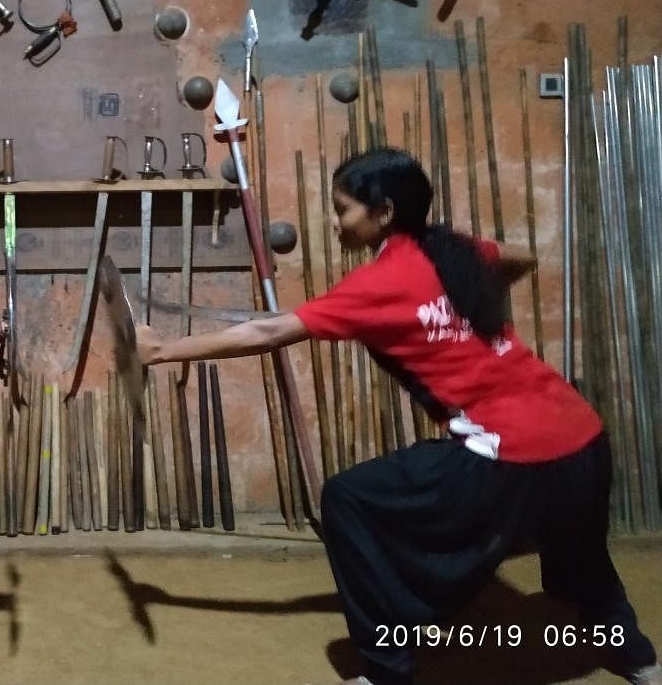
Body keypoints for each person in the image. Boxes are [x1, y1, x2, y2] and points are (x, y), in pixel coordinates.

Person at [136, 147, 660, 685]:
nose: (337, 222)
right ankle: (640, 659)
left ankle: (387, 670)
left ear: (383, 212)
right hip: (583, 438)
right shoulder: (458, 251)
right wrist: (477, 306)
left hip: (508, 453)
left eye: (344, 210)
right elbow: (520, 258)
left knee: (348, 499)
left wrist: (161, 351)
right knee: (584, 559)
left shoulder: (379, 284)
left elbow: (265, 332)